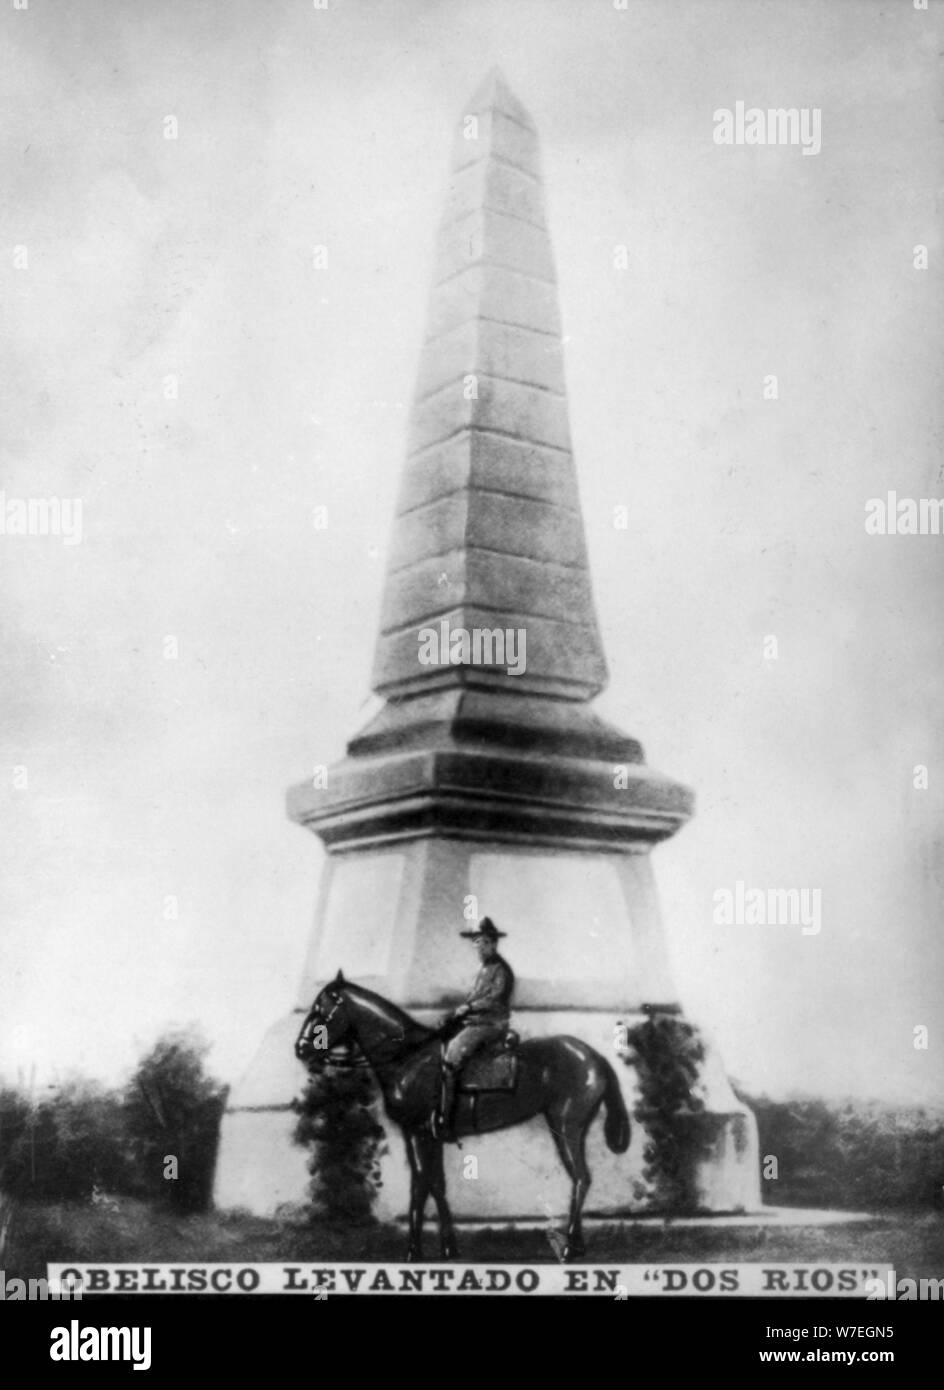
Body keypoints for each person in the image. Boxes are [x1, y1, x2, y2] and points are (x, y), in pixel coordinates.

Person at [432, 917, 515, 1140]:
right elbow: (475, 997)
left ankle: (447, 1122)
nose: (479, 948)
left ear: (494, 944)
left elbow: (494, 1000)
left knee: (451, 1058)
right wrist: (455, 1014)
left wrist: (467, 1007)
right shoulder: (485, 969)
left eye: (484, 943)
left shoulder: (501, 971)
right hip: (477, 1021)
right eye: (477, 943)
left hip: (490, 1025)